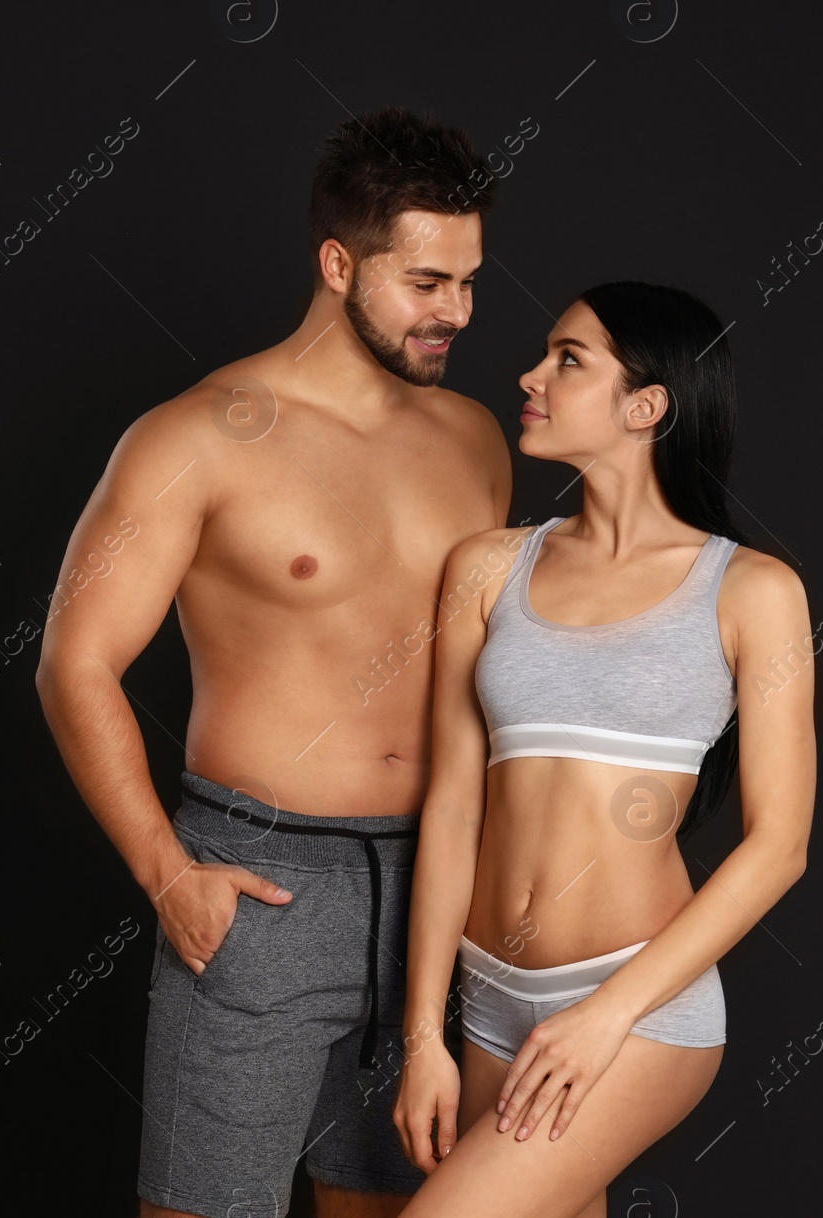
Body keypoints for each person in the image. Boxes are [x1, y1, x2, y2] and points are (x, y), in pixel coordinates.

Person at [34, 106, 510, 1218]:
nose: (458, 312)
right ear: (338, 264)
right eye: (426, 282)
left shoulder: (475, 439)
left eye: (470, 281)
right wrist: (168, 878)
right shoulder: (194, 438)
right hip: (264, 883)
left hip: (441, 893)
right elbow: (74, 665)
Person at [391, 281, 816, 1216]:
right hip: (488, 999)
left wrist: (606, 1015)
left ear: (647, 405)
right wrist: (426, 1031)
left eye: (568, 359)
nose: (530, 375)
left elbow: (780, 844)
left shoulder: (752, 592)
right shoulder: (488, 567)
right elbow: (455, 805)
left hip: (635, 1006)